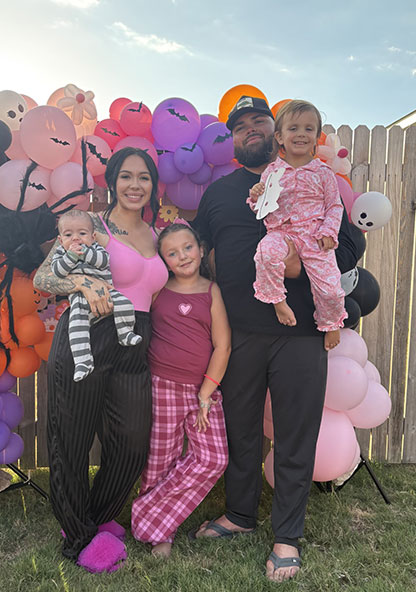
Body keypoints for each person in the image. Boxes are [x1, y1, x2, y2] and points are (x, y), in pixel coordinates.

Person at [191, 96, 359, 582]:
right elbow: (197, 252)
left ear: (277, 129)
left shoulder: (313, 179)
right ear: (233, 138)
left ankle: (287, 533)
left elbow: (349, 245)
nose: (250, 131)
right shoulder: (221, 194)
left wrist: (299, 264)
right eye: (239, 126)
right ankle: (240, 515)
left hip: (302, 332)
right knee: (240, 428)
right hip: (240, 335)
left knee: (294, 432)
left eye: (258, 121)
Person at [33, 147, 168, 573]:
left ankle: (96, 515)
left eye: (143, 177)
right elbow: (42, 276)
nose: (134, 185)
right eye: (125, 176)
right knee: (70, 439)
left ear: (152, 184)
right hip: (86, 337)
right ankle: (78, 537)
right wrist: (76, 281)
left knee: (131, 440)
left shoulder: (159, 234)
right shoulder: (92, 225)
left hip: (134, 340)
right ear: (111, 181)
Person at [131, 223, 230, 558]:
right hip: (162, 386)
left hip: (203, 390)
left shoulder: (211, 291)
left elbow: (223, 346)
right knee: (160, 460)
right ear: (165, 262)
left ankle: (144, 510)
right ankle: (161, 531)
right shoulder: (160, 290)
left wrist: (205, 394)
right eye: (172, 253)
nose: (182, 256)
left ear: (201, 249)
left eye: (187, 248)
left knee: (213, 457)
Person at [248, 99, 347, 351]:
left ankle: (331, 321)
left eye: (308, 129)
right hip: (281, 233)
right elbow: (260, 207)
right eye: (293, 128)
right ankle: (277, 300)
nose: (301, 134)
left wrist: (328, 232)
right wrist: (256, 195)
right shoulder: (272, 172)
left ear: (316, 137)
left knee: (332, 291)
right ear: (280, 137)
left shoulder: (323, 174)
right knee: (264, 254)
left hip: (315, 237)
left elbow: (335, 206)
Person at [52, 209, 142, 382]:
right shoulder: (61, 254)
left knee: (125, 304)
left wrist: (85, 253)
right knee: (77, 327)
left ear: (93, 236)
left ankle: (125, 333)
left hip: (108, 293)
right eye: (69, 234)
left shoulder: (96, 249)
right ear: (60, 240)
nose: (76, 238)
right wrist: (71, 256)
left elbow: (103, 262)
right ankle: (83, 362)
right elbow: (58, 272)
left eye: (82, 233)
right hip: (80, 301)